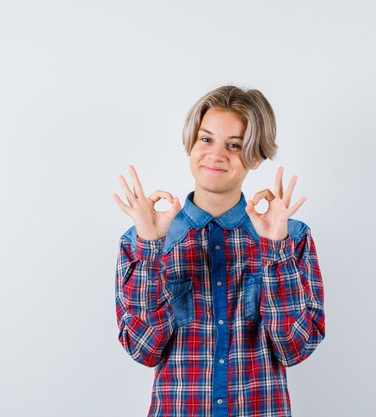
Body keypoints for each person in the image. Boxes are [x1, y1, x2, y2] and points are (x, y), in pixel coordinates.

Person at [112, 85, 325, 417]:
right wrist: (150, 250)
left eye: (235, 145)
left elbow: (294, 349)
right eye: (206, 139)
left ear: (255, 155)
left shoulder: (291, 239)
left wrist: (275, 252)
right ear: (191, 144)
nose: (216, 154)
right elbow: (143, 350)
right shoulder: (141, 240)